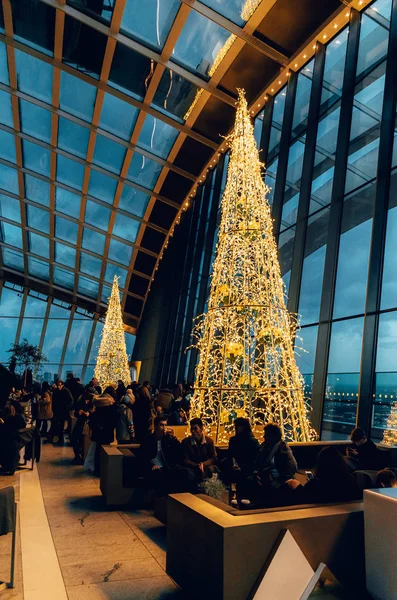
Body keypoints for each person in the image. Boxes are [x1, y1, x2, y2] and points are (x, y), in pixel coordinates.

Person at [237, 423, 297, 506]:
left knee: (267, 490)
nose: (264, 437)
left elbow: (292, 469)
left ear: (273, 437)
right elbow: (256, 463)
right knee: (244, 481)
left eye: (266, 435)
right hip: (264, 478)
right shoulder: (264, 447)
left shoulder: (283, 450)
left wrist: (276, 482)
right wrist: (256, 473)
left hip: (279, 481)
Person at [287, 446, 359, 504]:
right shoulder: (351, 484)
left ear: (321, 465)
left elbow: (303, 496)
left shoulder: (316, 486)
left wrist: (293, 483)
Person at [139, 416, 186, 495]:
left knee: (181, 473)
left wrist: (174, 438)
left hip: (166, 466)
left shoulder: (167, 439)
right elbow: (142, 457)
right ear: (156, 426)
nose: (164, 428)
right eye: (161, 425)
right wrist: (151, 465)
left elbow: (180, 452)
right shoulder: (148, 439)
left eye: (165, 425)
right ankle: (161, 500)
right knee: (159, 475)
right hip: (153, 468)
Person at [181, 418, 217, 492]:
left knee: (210, 471)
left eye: (195, 429)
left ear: (201, 429)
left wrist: (203, 464)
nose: (193, 431)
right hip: (191, 467)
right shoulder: (186, 442)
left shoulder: (209, 441)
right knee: (189, 475)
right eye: (192, 429)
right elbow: (184, 459)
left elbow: (214, 458)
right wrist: (196, 465)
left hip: (205, 467)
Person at [222, 417, 260, 484]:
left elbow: (254, 459)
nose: (236, 428)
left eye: (238, 426)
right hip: (235, 466)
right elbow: (230, 455)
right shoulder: (233, 440)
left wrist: (243, 468)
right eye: (235, 426)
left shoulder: (252, 442)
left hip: (246, 468)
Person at [89, 394, 118, 475]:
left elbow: (91, 424)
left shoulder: (95, 413)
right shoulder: (111, 413)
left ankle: (97, 469)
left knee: (97, 452)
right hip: (107, 435)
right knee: (105, 453)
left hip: (98, 435)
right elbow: (114, 423)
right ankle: (104, 470)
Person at [0, 405, 26, 474]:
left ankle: (8, 468)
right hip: (11, 437)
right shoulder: (15, 413)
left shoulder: (13, 415)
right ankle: (8, 467)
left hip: (9, 438)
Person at [71, 392, 93, 463]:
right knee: (75, 439)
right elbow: (75, 413)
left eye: (88, 401)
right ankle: (77, 456)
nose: (86, 402)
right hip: (80, 424)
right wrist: (78, 413)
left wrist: (89, 414)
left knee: (82, 442)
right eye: (85, 400)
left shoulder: (93, 405)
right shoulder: (80, 404)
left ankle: (81, 456)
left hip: (86, 426)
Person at [52, 379, 73, 445]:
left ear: (62, 385)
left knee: (60, 425)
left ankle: (60, 439)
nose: (59, 387)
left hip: (62, 410)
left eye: (60, 385)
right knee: (59, 425)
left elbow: (71, 400)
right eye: (58, 385)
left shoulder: (65, 391)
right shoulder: (63, 391)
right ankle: (59, 439)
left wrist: (66, 408)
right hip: (59, 410)